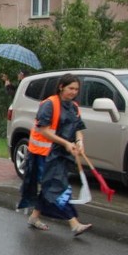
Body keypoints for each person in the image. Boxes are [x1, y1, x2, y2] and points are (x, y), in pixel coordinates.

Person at [28, 73, 93, 236]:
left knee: (51, 185)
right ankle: (74, 223)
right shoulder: (49, 104)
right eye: (71, 88)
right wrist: (65, 143)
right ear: (61, 87)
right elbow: (43, 130)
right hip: (45, 154)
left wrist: (79, 142)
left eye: (76, 89)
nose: (74, 92)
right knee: (59, 186)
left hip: (61, 154)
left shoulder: (74, 107)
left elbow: (78, 127)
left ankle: (34, 217)